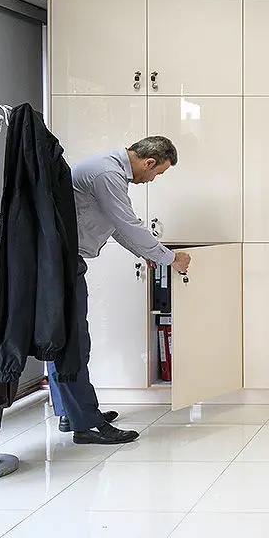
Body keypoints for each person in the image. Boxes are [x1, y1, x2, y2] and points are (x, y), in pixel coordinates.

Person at [50, 136, 191, 444]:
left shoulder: (108, 169)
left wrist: (146, 253)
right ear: (149, 162)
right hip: (62, 263)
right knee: (73, 343)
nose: (152, 179)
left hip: (59, 261)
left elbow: (117, 227)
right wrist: (169, 258)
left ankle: (71, 413)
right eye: (157, 173)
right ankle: (86, 424)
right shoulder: (108, 173)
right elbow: (128, 224)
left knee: (59, 340)